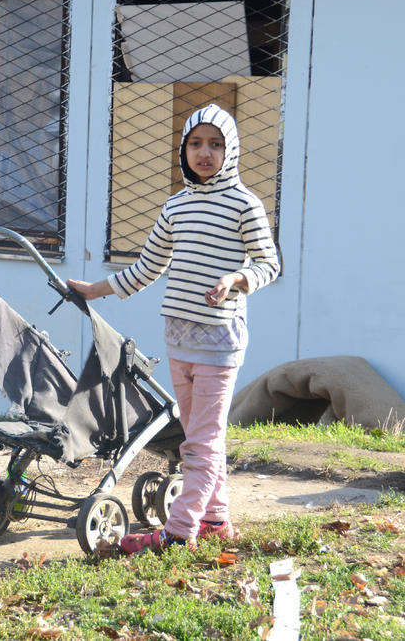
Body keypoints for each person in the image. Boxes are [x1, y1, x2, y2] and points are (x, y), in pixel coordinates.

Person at [66, 104, 279, 553]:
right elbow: (146, 269)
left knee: (200, 442)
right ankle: (216, 522)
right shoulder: (176, 207)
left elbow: (268, 264)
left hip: (219, 342)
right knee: (200, 437)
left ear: (231, 150)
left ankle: (179, 533)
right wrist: (93, 290)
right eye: (196, 143)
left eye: (216, 144)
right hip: (178, 338)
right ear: (183, 150)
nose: (205, 153)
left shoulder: (245, 204)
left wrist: (236, 279)